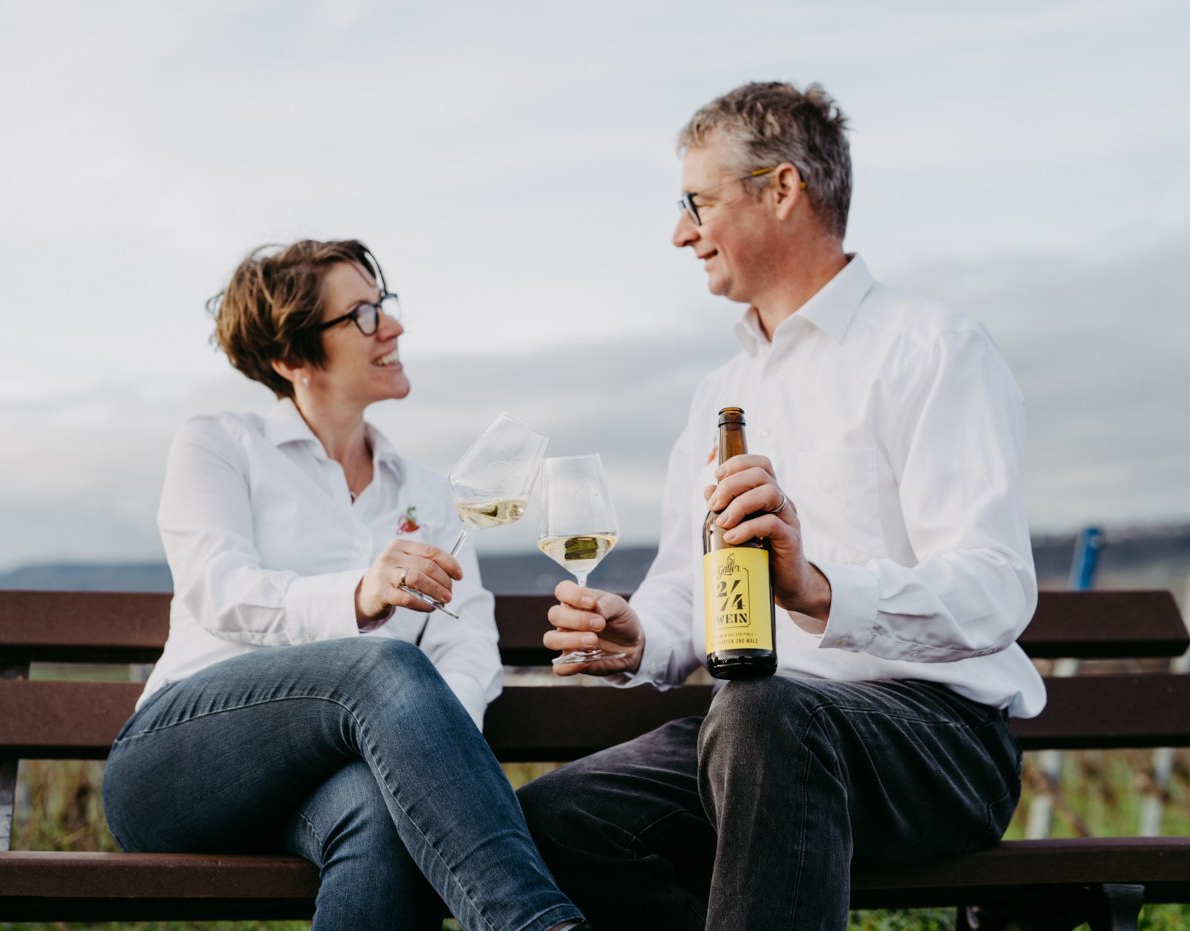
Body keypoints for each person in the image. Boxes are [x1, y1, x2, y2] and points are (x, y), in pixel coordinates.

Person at [517, 81, 1044, 930]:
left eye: (696, 201)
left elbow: (993, 588)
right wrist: (641, 634)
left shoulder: (933, 349)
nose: (680, 231)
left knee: (764, 710)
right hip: (756, 734)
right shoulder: (719, 393)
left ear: (783, 189)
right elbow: (689, 590)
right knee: (552, 824)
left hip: (935, 738)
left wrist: (820, 589)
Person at [102, 239, 585, 931]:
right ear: (291, 357)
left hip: (331, 783)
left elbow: (468, 639)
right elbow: (220, 588)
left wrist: (421, 749)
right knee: (384, 662)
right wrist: (358, 595)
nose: (392, 326)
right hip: (178, 766)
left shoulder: (426, 490)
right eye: (361, 314)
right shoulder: (219, 443)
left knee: (388, 815)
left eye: (383, 304)